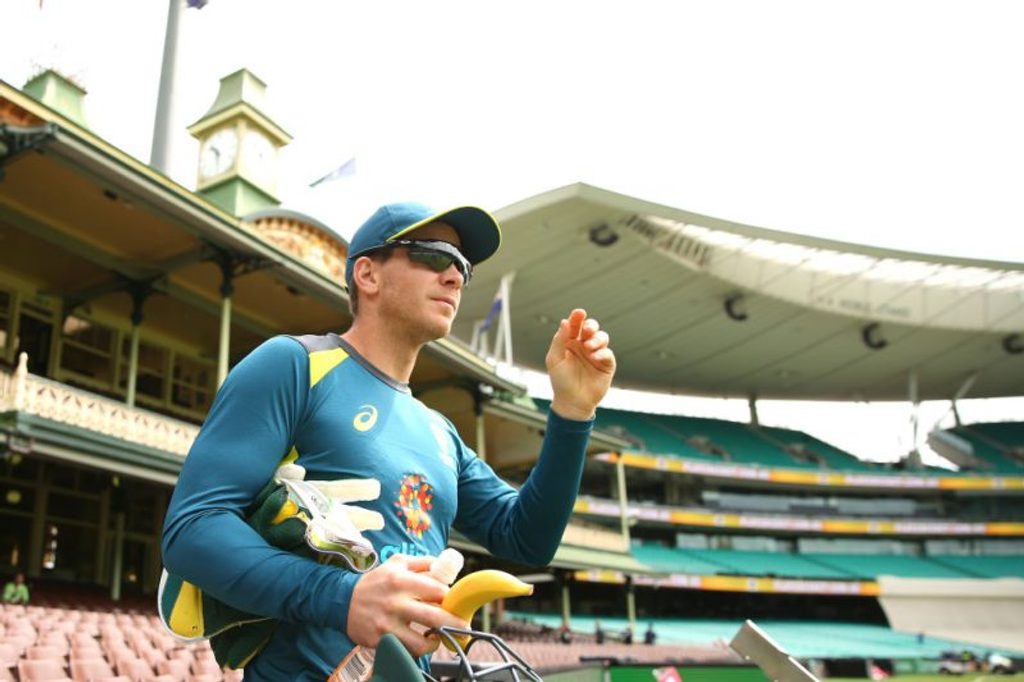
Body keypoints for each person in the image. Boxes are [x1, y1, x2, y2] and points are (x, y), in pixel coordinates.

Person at [161, 202, 616, 681]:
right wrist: (344, 596)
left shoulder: (440, 431)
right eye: (437, 256)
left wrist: (572, 413)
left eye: (462, 267)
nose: (455, 277)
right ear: (368, 275)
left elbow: (529, 538)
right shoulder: (294, 365)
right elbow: (192, 528)